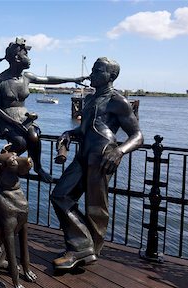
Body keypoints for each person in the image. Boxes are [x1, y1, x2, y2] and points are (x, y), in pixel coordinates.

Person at [50, 57, 143, 270]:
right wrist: (69, 133)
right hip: (83, 155)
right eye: (92, 69)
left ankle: (82, 250)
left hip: (102, 156)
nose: (92, 73)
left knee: (96, 207)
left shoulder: (117, 101)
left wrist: (119, 151)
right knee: (60, 196)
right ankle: (83, 246)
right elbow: (85, 130)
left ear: (111, 76)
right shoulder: (90, 99)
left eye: (97, 70)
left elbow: (137, 136)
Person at [0, 38, 87, 183]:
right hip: (7, 119)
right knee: (21, 143)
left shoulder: (27, 77)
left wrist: (73, 79)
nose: (29, 59)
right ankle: (3, 162)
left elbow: (48, 79)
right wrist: (14, 123)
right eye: (26, 56)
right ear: (17, 58)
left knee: (34, 136)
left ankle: (38, 167)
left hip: (24, 117)